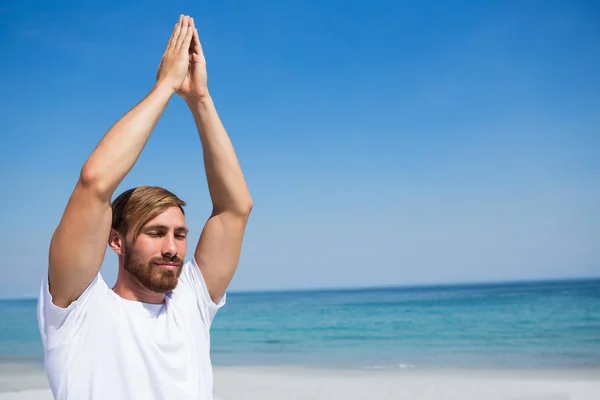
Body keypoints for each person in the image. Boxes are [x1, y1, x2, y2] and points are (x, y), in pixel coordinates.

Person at [36, 14, 253, 400]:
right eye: (155, 233)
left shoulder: (191, 304)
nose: (173, 248)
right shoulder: (76, 309)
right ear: (115, 241)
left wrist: (200, 99)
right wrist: (165, 87)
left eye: (180, 234)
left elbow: (235, 209)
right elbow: (94, 184)